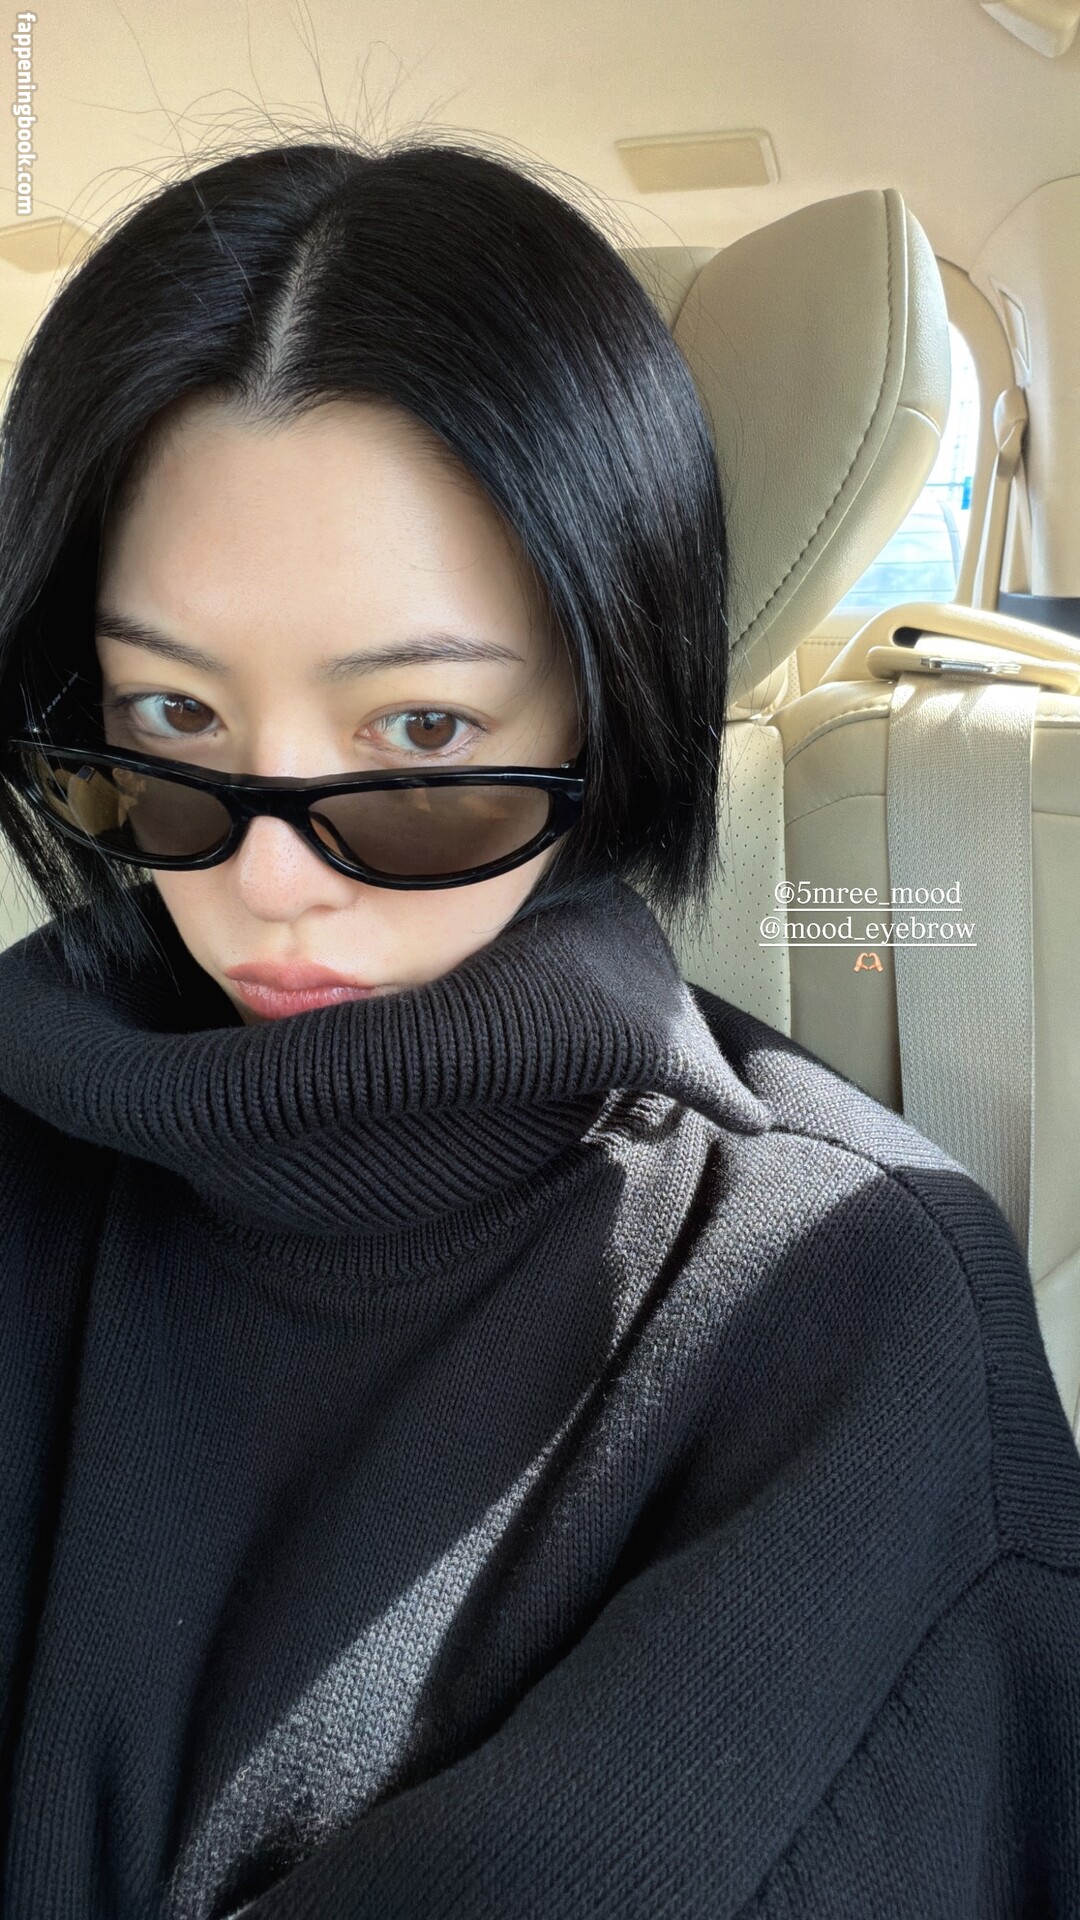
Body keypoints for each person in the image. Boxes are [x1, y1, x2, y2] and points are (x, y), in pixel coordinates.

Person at [0, 135, 1077, 1920]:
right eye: (171, 718)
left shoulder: (843, 1312)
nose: (267, 882)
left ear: (606, 694)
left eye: (422, 736)